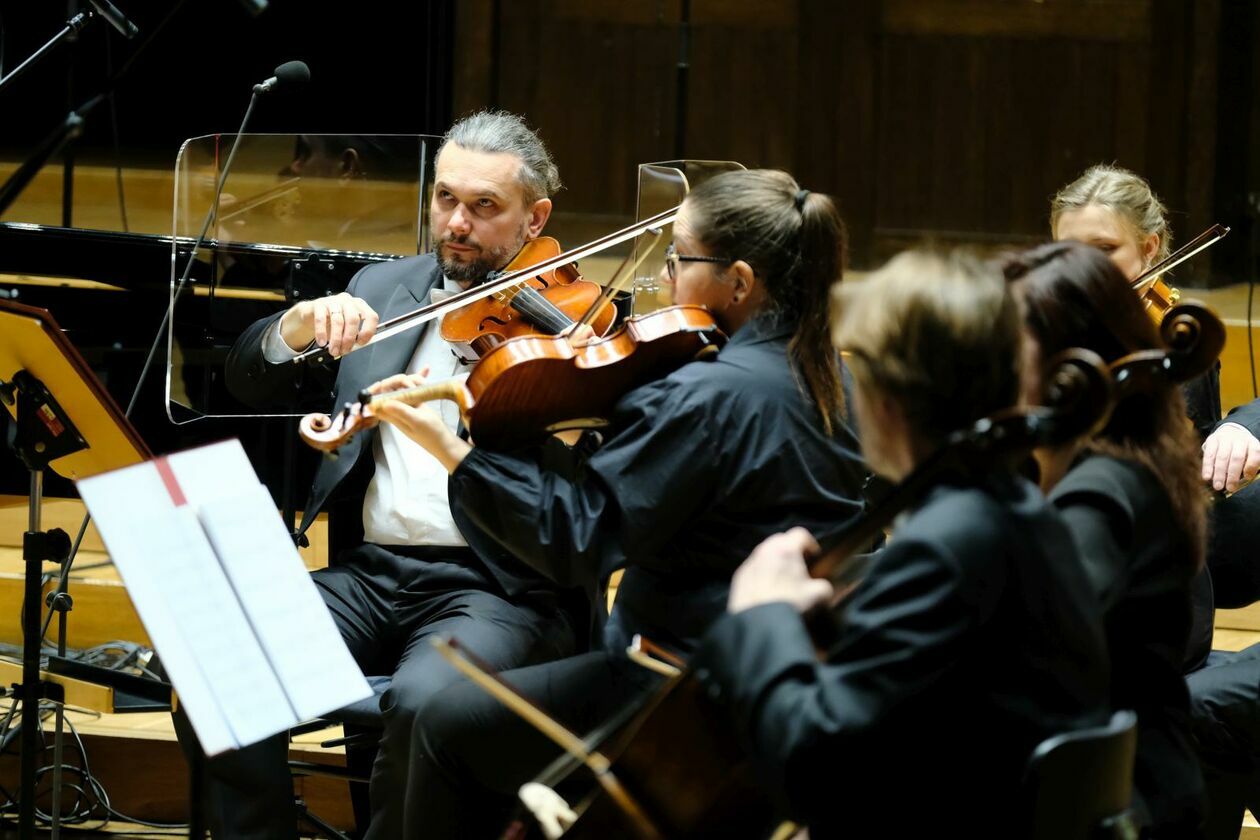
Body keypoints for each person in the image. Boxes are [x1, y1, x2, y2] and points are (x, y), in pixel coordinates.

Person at [369, 169, 869, 836]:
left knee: (443, 724)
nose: (664, 279)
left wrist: (449, 447)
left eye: (680, 259)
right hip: (783, 682)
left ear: (740, 282)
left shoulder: (708, 396)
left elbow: (573, 542)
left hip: (676, 694)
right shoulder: (835, 377)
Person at [185, 110, 583, 840]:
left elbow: (582, 503)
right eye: (445, 199)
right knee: (218, 657)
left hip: (494, 591)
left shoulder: (571, 336)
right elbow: (248, 379)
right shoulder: (383, 287)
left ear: (536, 219)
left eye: (485, 207)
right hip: (370, 576)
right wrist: (298, 324)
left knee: (426, 701)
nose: (456, 223)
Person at [687, 249, 1110, 836]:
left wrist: (767, 616)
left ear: (886, 403)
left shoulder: (950, 545)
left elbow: (811, 772)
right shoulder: (1021, 514)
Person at [1052, 164, 1260, 839]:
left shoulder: (1176, 330)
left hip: (1164, 592)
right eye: (1066, 253)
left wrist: (1239, 428)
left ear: (1152, 248)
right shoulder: (1035, 340)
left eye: (1104, 252)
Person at [1009, 240, 1207, 836]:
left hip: (1123, 800)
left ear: (1069, 373)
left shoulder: (1101, 494)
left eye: (1005, 348)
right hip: (1125, 783)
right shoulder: (1130, 453)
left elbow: (1035, 647)